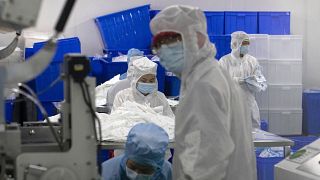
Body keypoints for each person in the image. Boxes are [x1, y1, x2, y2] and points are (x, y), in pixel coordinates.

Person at [150, 5, 257, 180]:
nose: (163, 51)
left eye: (169, 40)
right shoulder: (210, 74)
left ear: (196, 37)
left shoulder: (203, 85)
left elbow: (207, 163)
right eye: (158, 45)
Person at [219, 31, 267, 129]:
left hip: (249, 104)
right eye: (244, 45)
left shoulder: (252, 61)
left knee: (253, 136)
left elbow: (261, 83)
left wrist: (254, 82)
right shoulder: (224, 61)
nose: (246, 47)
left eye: (247, 44)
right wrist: (237, 80)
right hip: (231, 106)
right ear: (235, 44)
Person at [101, 123, 172, 180]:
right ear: (127, 156)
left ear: (157, 167)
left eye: (145, 170)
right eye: (133, 167)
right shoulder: (106, 174)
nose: (136, 174)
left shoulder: (168, 173)